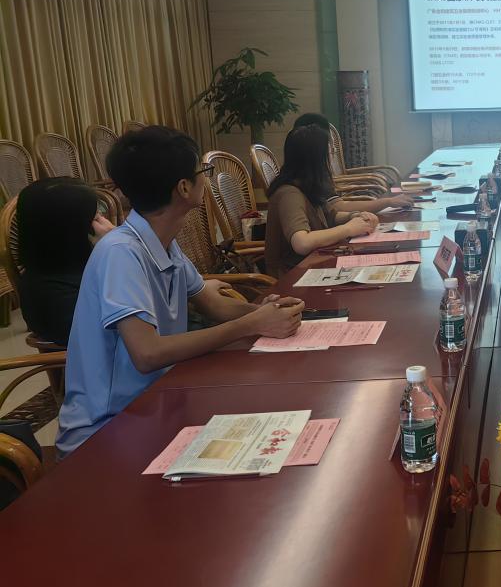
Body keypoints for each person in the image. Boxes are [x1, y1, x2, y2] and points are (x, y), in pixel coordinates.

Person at [56, 127, 304, 457]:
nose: (205, 178)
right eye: (203, 171)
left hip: (159, 403)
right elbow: (148, 354)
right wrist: (250, 324)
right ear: (184, 188)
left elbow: (213, 304)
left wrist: (263, 312)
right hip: (107, 430)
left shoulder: (162, 242)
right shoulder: (121, 253)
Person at [266, 124, 378, 277]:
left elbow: (330, 216)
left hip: (314, 264)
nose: (332, 158)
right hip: (293, 276)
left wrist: (354, 216)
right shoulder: (289, 194)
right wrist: (348, 229)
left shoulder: (306, 185)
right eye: (330, 153)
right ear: (316, 159)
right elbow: (302, 243)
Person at [14, 178, 115, 346]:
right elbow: (123, 331)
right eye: (95, 218)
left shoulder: (73, 265)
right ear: (72, 231)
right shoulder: (52, 295)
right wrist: (113, 252)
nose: (104, 223)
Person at [292, 113, 414, 212]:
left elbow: (335, 210)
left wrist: (353, 218)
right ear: (314, 147)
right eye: (329, 146)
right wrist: (387, 202)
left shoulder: (317, 173)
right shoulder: (292, 189)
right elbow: (338, 208)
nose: (333, 151)